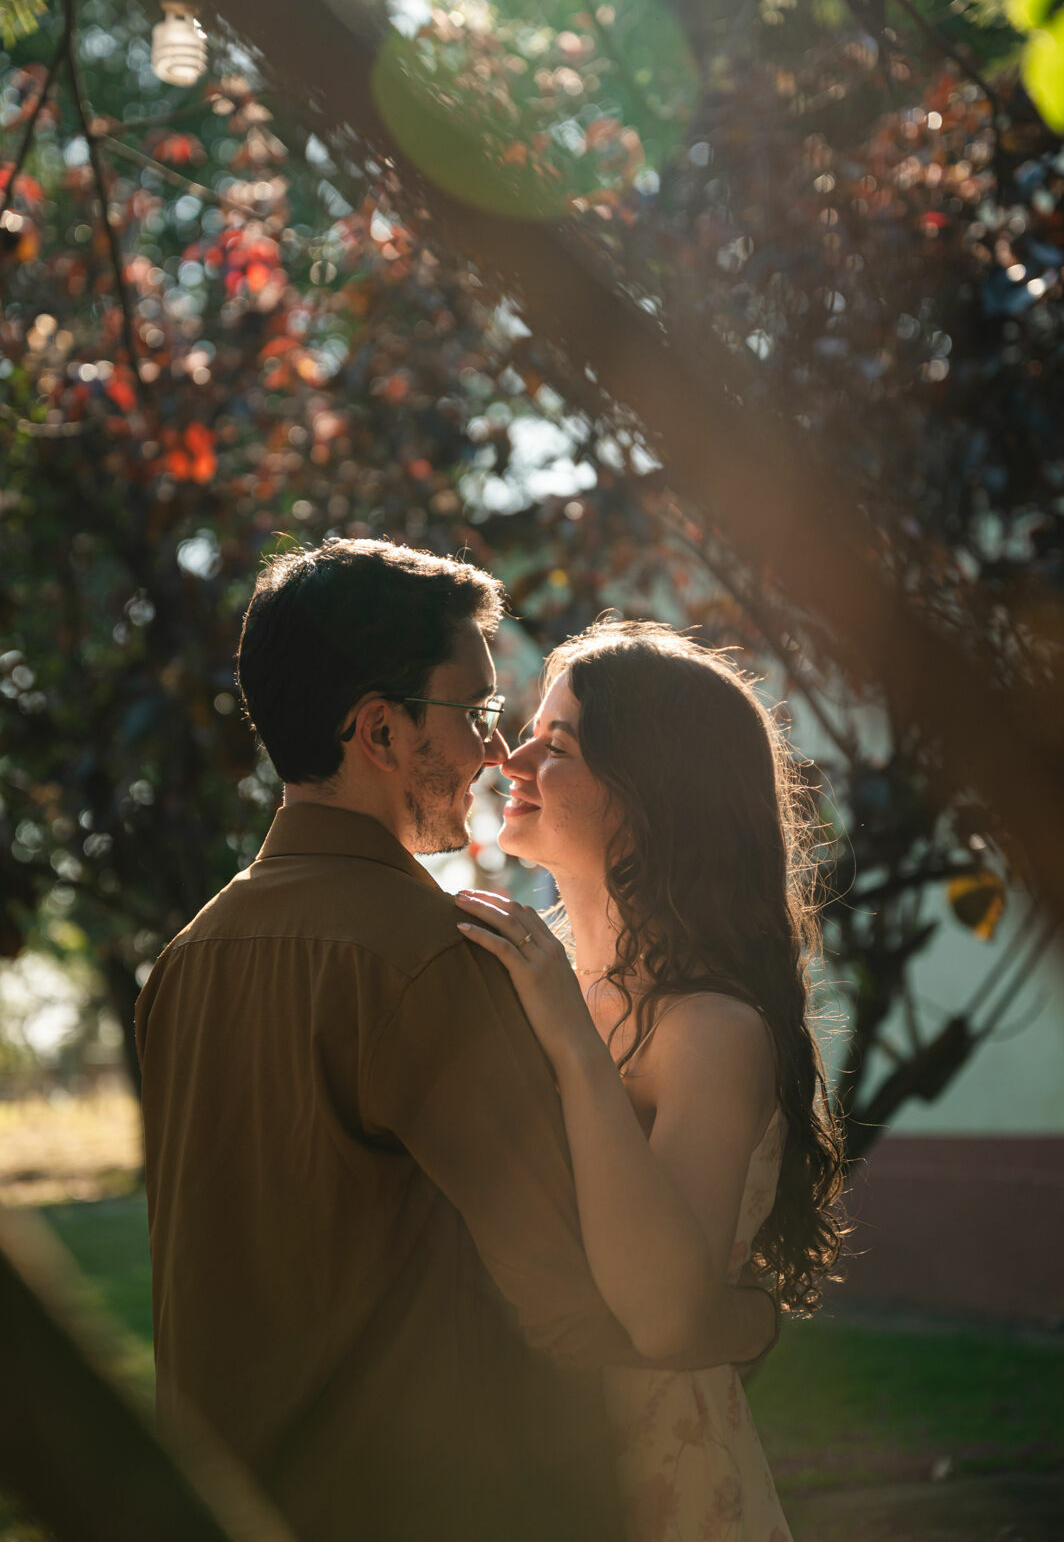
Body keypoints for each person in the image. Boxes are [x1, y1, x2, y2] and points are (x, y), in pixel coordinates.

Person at [134, 543, 778, 1542]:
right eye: (473, 713)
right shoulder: (438, 961)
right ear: (380, 729)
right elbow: (579, 1310)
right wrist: (750, 1320)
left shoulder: (187, 958)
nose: (491, 752)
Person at [456, 618, 846, 1542]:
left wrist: (569, 1037)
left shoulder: (711, 1031)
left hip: (661, 1486)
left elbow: (666, 1318)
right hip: (518, 1475)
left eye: (554, 743)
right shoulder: (521, 971)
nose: (509, 760)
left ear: (647, 796)